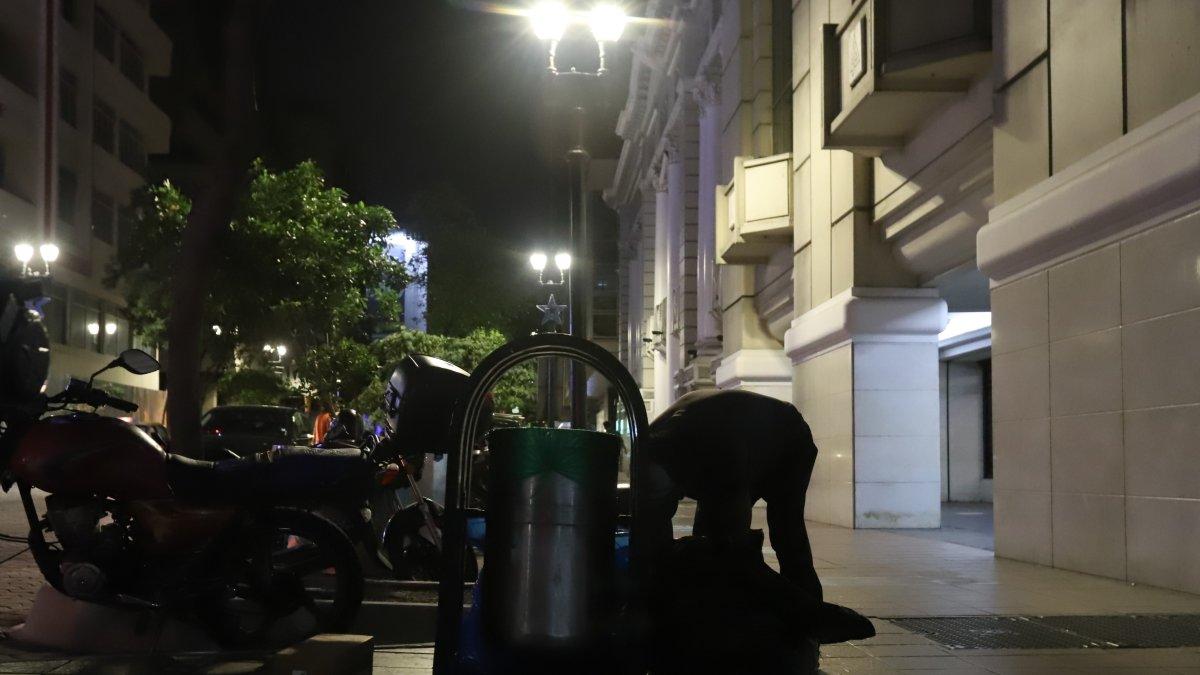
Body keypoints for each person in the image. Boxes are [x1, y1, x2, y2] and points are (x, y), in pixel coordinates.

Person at [640, 389, 874, 652]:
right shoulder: (650, 450)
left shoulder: (719, 457)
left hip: (787, 440)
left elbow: (733, 544)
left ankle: (810, 631)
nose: (664, 499)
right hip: (735, 435)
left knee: (786, 534)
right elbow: (654, 526)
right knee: (707, 547)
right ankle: (712, 625)